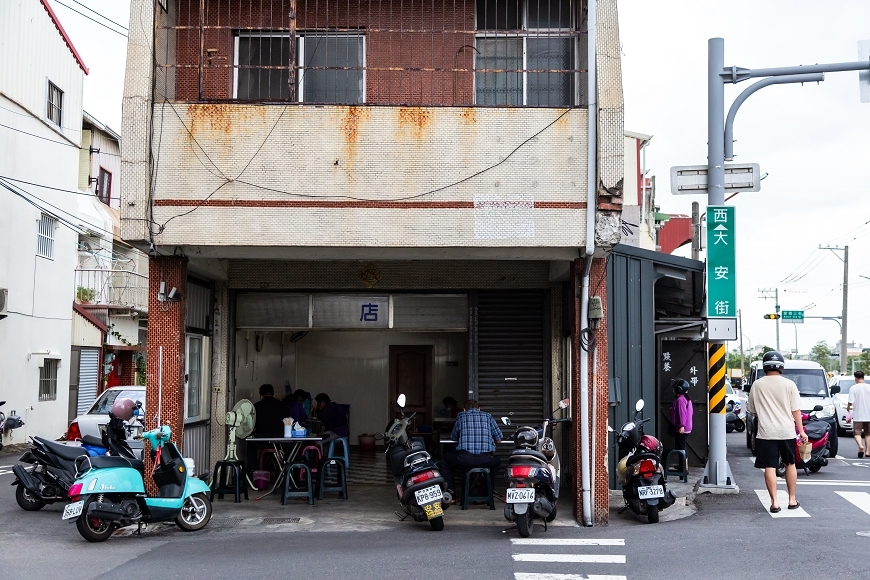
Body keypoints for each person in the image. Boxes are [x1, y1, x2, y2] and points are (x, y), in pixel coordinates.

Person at [747, 351, 808, 513]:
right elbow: (796, 410)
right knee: (790, 464)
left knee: (769, 466)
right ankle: (792, 499)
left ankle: (774, 503)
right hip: (786, 431)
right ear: (781, 366)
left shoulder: (757, 385)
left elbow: (753, 410)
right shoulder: (789, 385)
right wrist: (801, 431)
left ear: (764, 366)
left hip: (766, 432)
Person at [440, 399, 503, 497]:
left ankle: (450, 494)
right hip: (485, 459)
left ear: (464, 409)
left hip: (465, 459)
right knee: (497, 462)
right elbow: (498, 440)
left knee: (446, 459)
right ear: (479, 409)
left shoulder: (461, 416)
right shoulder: (488, 416)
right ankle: (483, 493)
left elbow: (453, 437)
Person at [845, 371, 870, 458]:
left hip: (858, 414)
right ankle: (867, 451)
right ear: (863, 377)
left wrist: (848, 408)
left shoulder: (853, 388)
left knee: (857, 433)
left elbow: (850, 402)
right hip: (869, 415)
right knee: (868, 433)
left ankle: (860, 445)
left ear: (855, 378)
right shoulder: (869, 387)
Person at [670, 379, 693, 452]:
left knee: (681, 450)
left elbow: (682, 413)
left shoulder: (681, 400)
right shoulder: (686, 398)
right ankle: (684, 463)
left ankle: (684, 463)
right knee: (682, 448)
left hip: (682, 428)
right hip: (686, 427)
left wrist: (682, 426)